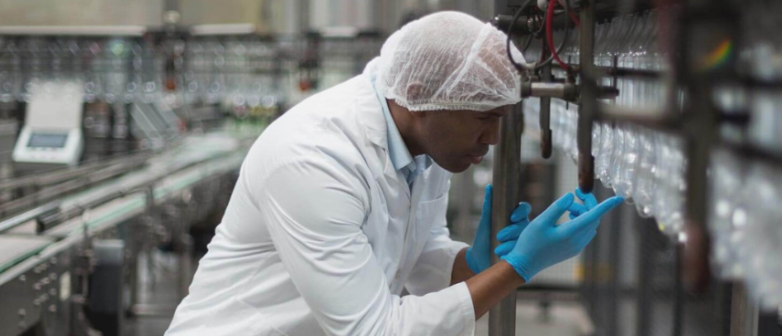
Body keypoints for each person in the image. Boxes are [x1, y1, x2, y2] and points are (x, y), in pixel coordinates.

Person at [165, 11, 622, 336]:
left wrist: (474, 264)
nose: (494, 138)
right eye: (483, 117)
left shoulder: (425, 145)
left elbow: (415, 257)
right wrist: (517, 269)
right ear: (420, 97)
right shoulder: (313, 159)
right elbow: (373, 329)